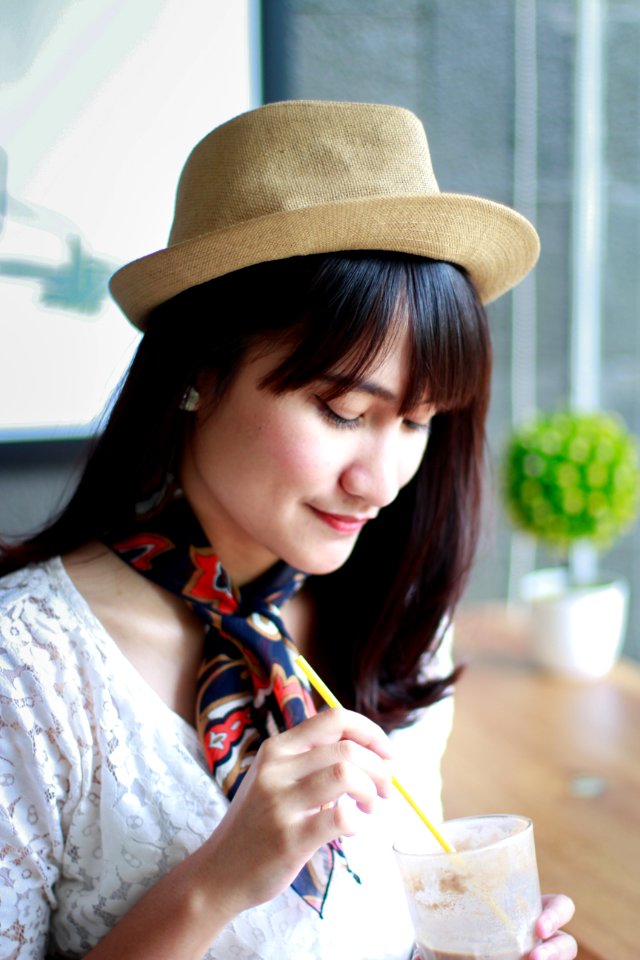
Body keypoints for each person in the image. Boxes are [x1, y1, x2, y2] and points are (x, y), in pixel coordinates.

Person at [0, 100, 576, 960]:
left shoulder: (400, 616)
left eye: (417, 421)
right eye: (343, 411)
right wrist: (217, 879)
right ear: (199, 370)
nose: (379, 481)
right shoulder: (30, 666)